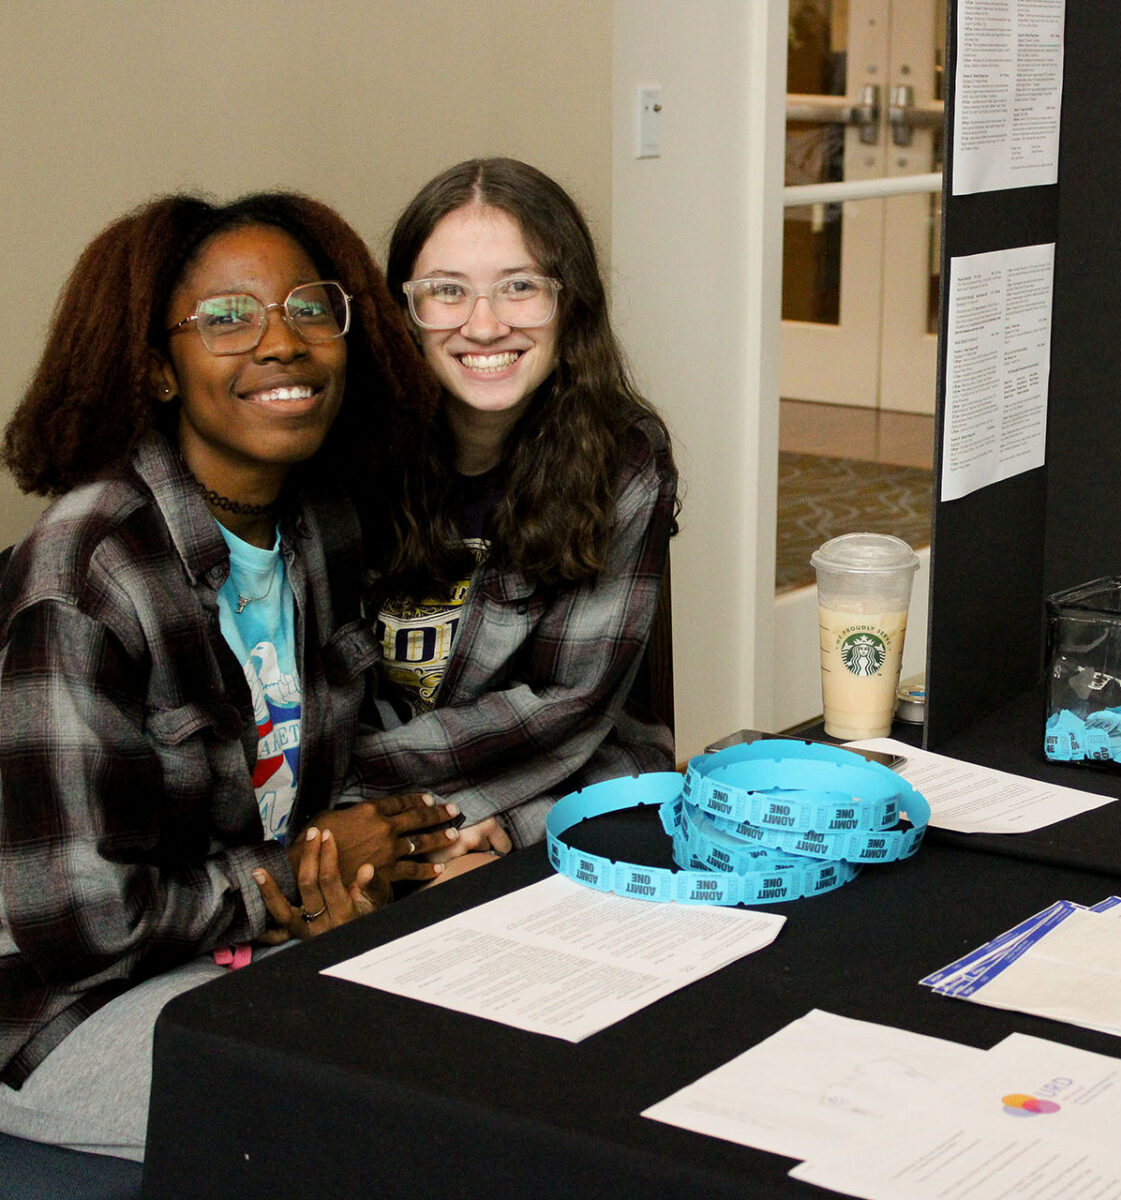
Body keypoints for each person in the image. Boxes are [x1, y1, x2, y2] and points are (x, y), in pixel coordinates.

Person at [0, 191, 458, 1161]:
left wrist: (361, 862)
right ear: (158, 369)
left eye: (307, 309)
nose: (280, 341)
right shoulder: (85, 581)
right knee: (389, 1123)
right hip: (61, 1012)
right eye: (226, 319)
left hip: (247, 952)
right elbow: (84, 922)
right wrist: (299, 878)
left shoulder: (319, 526)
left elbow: (324, 784)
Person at [352, 157, 678, 852]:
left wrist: (459, 828)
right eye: (446, 291)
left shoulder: (626, 460)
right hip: (364, 814)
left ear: (570, 307)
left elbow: (568, 705)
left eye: (520, 287)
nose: (484, 324)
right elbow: (321, 692)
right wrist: (378, 826)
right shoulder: (347, 454)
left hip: (559, 788)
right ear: (405, 314)